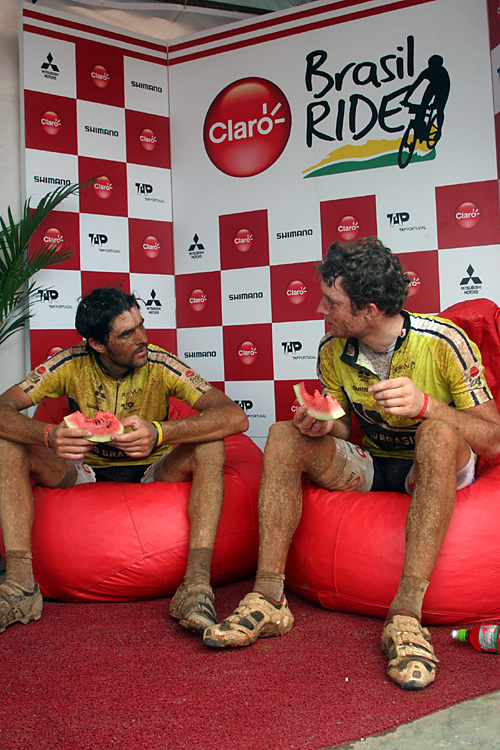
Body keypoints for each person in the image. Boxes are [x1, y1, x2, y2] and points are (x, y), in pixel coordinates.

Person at [203, 237, 500, 691]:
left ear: (369, 309)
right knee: (285, 432)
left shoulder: (445, 342)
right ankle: (268, 597)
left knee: (437, 433)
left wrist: (427, 407)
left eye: (332, 302)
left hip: (435, 464)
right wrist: (323, 426)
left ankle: (405, 616)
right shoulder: (332, 349)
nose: (320, 309)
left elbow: (494, 438)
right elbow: (342, 424)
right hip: (377, 462)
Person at [0, 286, 248, 635]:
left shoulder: (159, 363)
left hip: (153, 469)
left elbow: (235, 416)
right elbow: (2, 407)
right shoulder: (69, 363)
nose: (143, 338)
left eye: (141, 326)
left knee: (211, 443)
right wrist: (48, 435)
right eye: (128, 334)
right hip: (85, 470)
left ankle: (195, 586)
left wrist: (160, 433)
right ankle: (21, 587)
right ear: (98, 344)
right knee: (7, 444)